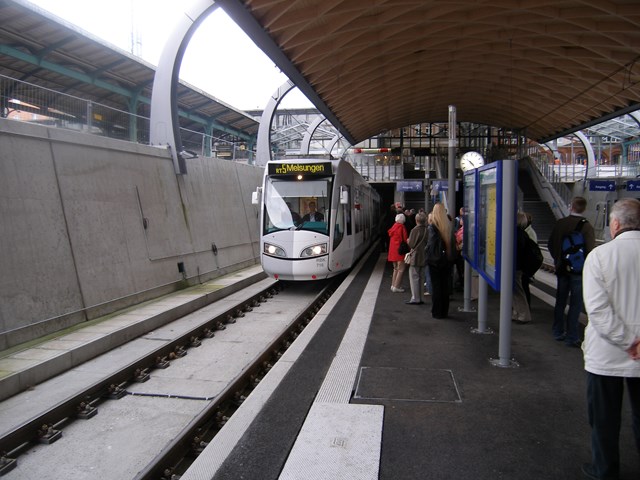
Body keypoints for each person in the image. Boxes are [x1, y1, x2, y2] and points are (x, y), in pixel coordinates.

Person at [580, 198, 640, 480]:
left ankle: (604, 471)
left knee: (604, 418)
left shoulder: (600, 256)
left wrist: (630, 341)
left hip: (605, 356)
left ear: (614, 224)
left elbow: (599, 311)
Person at [548, 196, 596, 347]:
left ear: (571, 207)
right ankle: (572, 337)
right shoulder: (587, 226)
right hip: (578, 271)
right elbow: (590, 250)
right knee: (576, 303)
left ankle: (557, 331)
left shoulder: (560, 223)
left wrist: (558, 260)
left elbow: (551, 244)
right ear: (584, 208)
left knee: (560, 300)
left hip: (562, 269)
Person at [426, 203, 452, 318]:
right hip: (446, 260)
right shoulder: (447, 225)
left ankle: (437, 312)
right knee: (444, 286)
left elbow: (431, 246)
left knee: (436, 287)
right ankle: (444, 311)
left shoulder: (432, 226)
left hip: (435, 262)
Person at [512, 212, 532, 323]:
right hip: (518, 266)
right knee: (515, 291)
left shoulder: (516, 234)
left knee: (518, 291)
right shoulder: (523, 234)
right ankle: (517, 313)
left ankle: (524, 315)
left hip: (516, 266)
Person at [405, 212, 428, 305]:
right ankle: (421, 297)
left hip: (416, 256)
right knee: (422, 277)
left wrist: (408, 241)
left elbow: (411, 244)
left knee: (414, 277)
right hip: (424, 255)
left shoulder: (415, 230)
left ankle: (415, 298)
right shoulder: (427, 230)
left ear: (416, 220)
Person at [388, 213, 408, 293]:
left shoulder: (393, 227)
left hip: (393, 251)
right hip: (400, 251)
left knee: (395, 268)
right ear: (403, 220)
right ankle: (397, 286)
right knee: (401, 269)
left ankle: (393, 285)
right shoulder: (402, 227)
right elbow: (405, 238)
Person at [522, 212, 538, 306]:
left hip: (526, 266)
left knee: (524, 287)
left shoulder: (529, 233)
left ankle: (526, 308)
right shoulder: (527, 231)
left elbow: (531, 251)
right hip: (525, 265)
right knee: (523, 287)